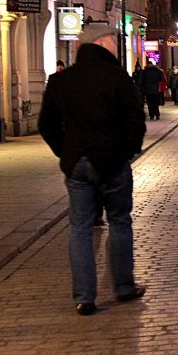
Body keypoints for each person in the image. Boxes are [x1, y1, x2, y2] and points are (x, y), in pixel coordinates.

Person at [38, 22, 147, 316]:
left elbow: (46, 124)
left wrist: (67, 153)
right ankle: (123, 287)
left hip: (78, 164)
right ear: (99, 42)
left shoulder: (62, 80)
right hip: (112, 161)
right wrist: (128, 150)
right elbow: (135, 120)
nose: (115, 43)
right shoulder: (117, 77)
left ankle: (85, 296)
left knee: (80, 229)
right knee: (120, 221)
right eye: (112, 39)